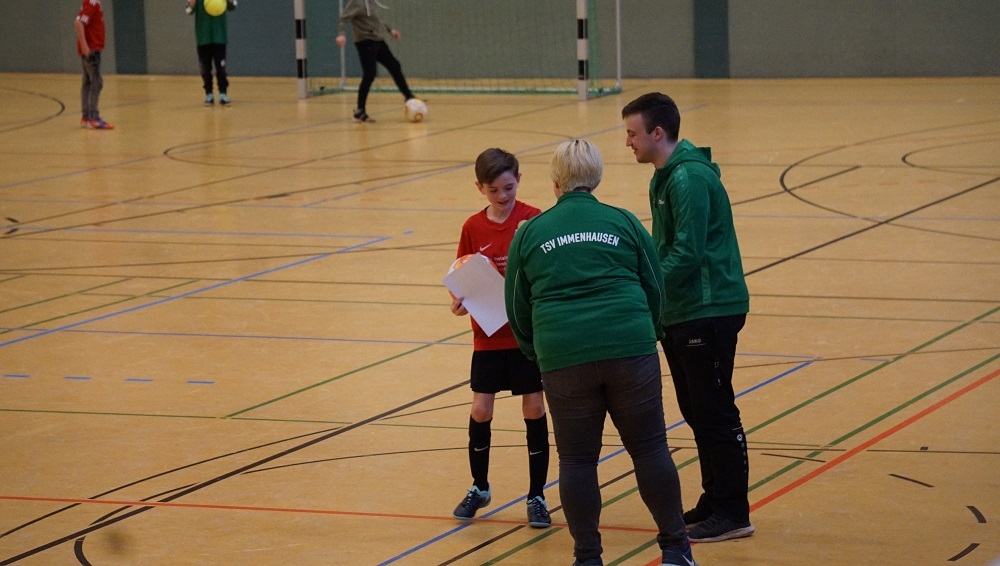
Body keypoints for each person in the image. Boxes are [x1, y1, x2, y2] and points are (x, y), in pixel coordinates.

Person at [505, 139, 697, 566]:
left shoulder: (530, 232)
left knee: (576, 460)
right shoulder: (623, 221)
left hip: (563, 355)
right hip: (630, 348)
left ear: (555, 181)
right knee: (650, 449)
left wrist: (538, 352)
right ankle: (676, 549)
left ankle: (588, 558)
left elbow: (516, 307)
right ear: (596, 177)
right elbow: (654, 287)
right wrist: (647, 334)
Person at [621, 92, 754, 543]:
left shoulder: (688, 178)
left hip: (709, 309)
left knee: (715, 412)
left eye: (633, 133)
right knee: (696, 411)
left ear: (657, 133)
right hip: (681, 311)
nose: (628, 142)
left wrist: (644, 286)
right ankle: (716, 499)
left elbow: (688, 253)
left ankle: (734, 512)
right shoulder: (664, 177)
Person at [449, 148, 551, 528]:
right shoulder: (472, 228)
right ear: (480, 188)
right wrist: (460, 301)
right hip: (488, 336)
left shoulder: (533, 219)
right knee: (481, 409)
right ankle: (480, 487)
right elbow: (461, 274)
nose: (502, 196)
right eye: (494, 190)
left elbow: (545, 273)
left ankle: (537, 495)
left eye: (508, 187)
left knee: (534, 407)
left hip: (525, 336)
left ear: (519, 180)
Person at [336, 0, 418, 123]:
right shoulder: (356, 2)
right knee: (369, 74)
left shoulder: (372, 2)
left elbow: (376, 20)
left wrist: (390, 30)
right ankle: (360, 111)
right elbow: (343, 19)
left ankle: (409, 97)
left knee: (394, 66)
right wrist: (341, 34)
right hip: (365, 41)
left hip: (378, 40)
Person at [187, 0, 237, 106]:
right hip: (203, 37)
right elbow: (188, 11)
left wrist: (231, 2)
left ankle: (223, 94)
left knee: (221, 68)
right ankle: (209, 94)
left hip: (219, 37)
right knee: (205, 68)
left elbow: (232, 7)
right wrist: (191, 5)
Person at [74, 0, 113, 130]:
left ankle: (86, 117)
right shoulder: (92, 3)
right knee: (96, 82)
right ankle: (93, 117)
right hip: (91, 50)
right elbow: (79, 23)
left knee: (87, 82)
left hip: (90, 49)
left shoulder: (91, 3)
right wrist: (84, 45)